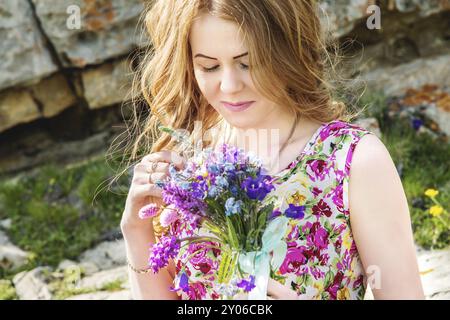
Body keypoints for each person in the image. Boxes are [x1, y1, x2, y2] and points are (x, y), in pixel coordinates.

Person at [119, 0, 425, 300]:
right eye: (209, 66)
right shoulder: (186, 163)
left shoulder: (353, 162)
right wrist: (135, 231)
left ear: (286, 52)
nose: (229, 85)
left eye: (248, 63)